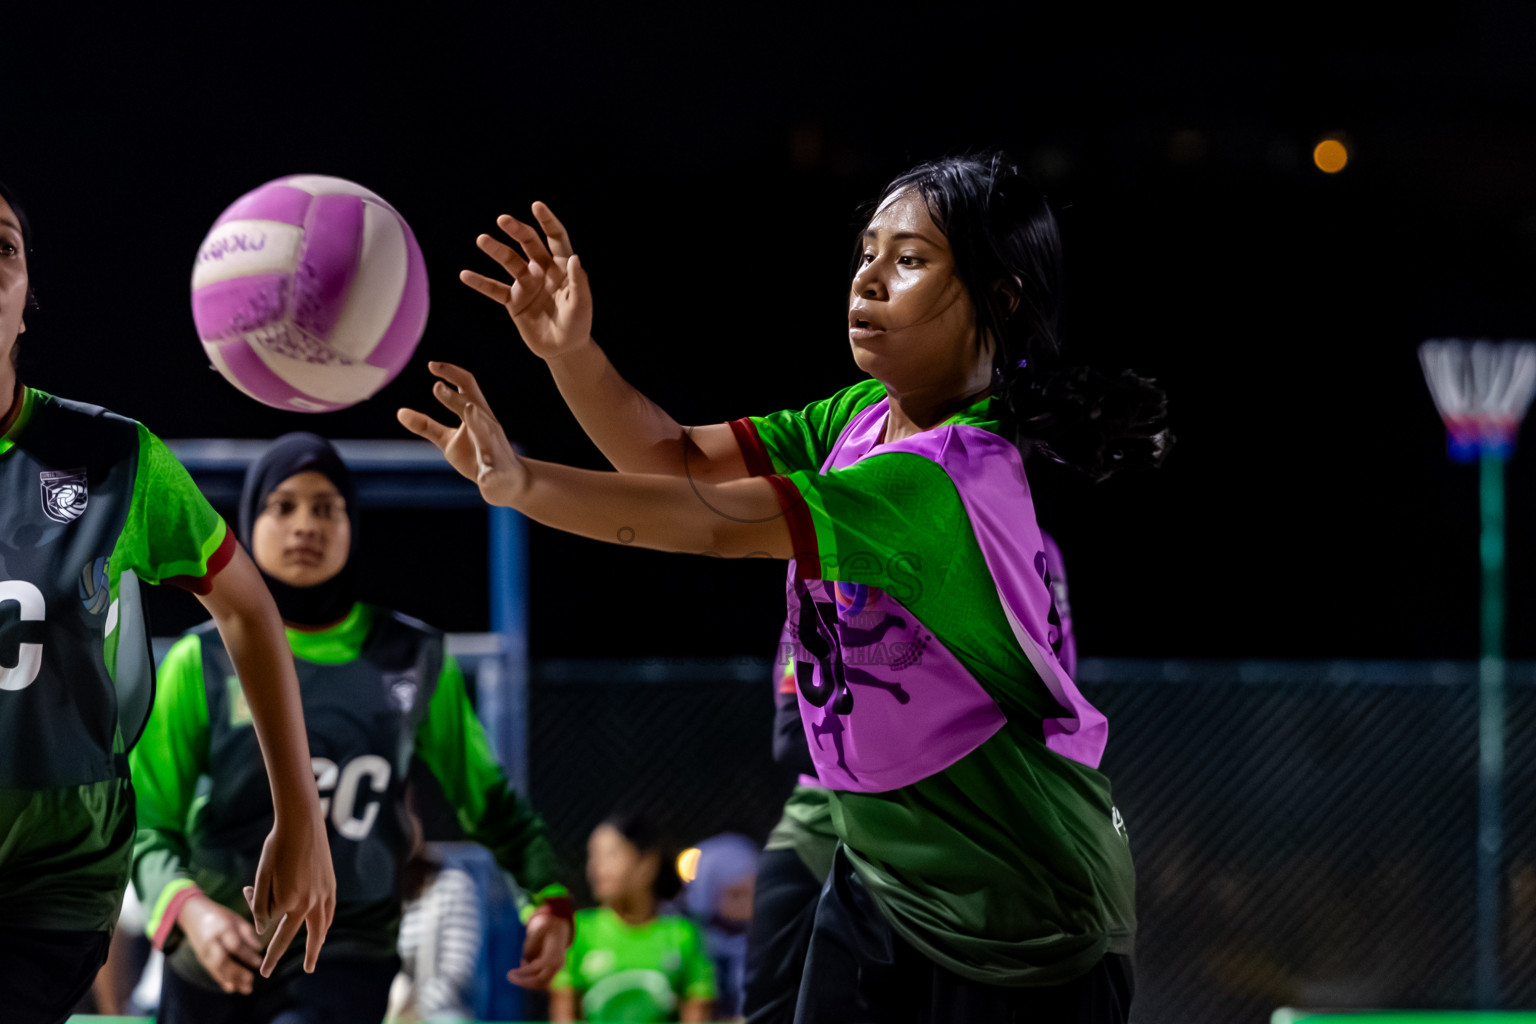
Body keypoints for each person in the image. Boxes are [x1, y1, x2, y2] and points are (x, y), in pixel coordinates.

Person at [399, 151, 1169, 1023]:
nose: (869, 277)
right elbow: (672, 457)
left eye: (910, 260)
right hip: (887, 875)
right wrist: (571, 354)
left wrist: (524, 484)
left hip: (1024, 906)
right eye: (867, 252)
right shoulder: (861, 419)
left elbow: (712, 521)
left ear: (1001, 295)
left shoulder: (946, 479)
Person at [0, 179, 334, 1024]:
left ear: (26, 300)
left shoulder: (113, 458)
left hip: (51, 881)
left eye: (2, 249)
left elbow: (250, 609)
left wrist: (301, 813)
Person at [130, 432, 573, 1024]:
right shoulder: (201, 661)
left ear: (352, 525)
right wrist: (188, 913)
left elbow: (489, 801)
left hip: (346, 950)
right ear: (247, 523)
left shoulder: (412, 658)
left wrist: (546, 894)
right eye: (282, 506)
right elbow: (149, 822)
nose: (305, 525)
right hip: (219, 949)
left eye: (326, 508)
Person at [743, 530, 1077, 1023]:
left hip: (970, 809)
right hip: (833, 810)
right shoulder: (832, 542)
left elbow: (1048, 709)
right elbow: (791, 734)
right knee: (774, 990)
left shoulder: (1024, 541)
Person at [549, 813, 717, 1022]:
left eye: (611, 854)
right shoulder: (576, 932)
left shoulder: (683, 935)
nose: (596, 867)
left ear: (647, 864)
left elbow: (697, 1015)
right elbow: (563, 1016)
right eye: (593, 856)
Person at [682, 832, 758, 1021]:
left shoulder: (768, 942)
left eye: (756, 891)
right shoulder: (691, 946)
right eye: (737, 894)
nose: (750, 903)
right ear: (708, 893)